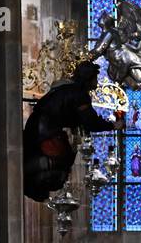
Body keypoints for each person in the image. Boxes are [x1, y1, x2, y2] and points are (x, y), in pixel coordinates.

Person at [23, 61, 123, 202]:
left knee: (64, 159)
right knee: (63, 159)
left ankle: (28, 174)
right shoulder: (79, 94)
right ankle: (25, 173)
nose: (97, 82)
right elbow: (90, 121)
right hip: (46, 129)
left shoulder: (67, 89)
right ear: (88, 78)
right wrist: (113, 126)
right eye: (95, 78)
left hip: (39, 126)